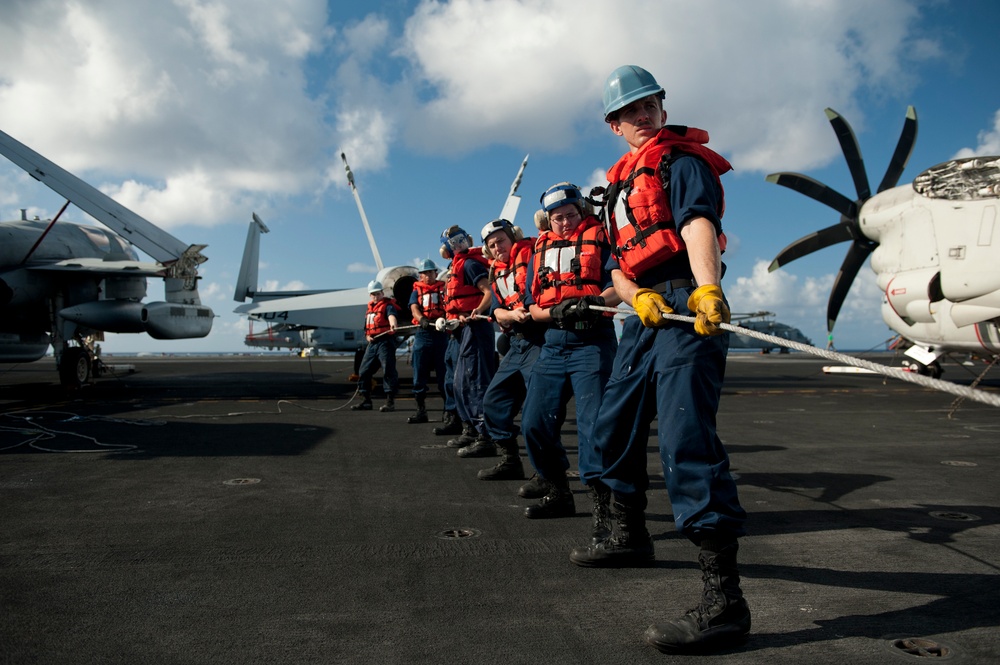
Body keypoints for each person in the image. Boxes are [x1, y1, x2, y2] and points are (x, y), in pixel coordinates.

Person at [567, 65, 750, 655]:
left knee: (684, 438)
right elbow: (615, 265)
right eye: (631, 111)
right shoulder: (617, 189)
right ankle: (627, 534)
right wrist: (633, 296)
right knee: (610, 425)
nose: (643, 116)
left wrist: (707, 288)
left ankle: (725, 602)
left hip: (687, 305)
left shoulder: (679, 163)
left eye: (650, 105)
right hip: (646, 313)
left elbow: (696, 223)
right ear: (614, 125)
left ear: (662, 110)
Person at [518, 183, 619, 519]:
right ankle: (558, 490)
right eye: (558, 218)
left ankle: (602, 507)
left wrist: (594, 301)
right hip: (554, 342)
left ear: (581, 212)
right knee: (534, 422)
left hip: (593, 341)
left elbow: (619, 287)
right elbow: (533, 309)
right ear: (548, 220)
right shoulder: (539, 249)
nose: (565, 223)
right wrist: (557, 311)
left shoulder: (602, 238)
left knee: (594, 426)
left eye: (571, 215)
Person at [465, 219, 545, 479]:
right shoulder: (497, 273)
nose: (497, 247)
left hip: (540, 339)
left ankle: (546, 475)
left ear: (513, 237)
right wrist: (509, 315)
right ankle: (510, 461)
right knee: (493, 401)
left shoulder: (534, 257)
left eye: (501, 240)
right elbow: (497, 310)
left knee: (537, 412)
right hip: (517, 343)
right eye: (492, 245)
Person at [438, 225, 496, 448]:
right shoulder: (456, 267)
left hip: (475, 329)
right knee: (460, 382)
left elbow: (489, 291)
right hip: (461, 331)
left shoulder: (470, 265)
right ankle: (470, 428)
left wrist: (476, 311)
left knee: (476, 381)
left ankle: (485, 435)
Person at [407, 259, 448, 424]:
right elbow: (414, 308)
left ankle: (448, 412)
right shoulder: (416, 291)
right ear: (420, 276)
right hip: (423, 333)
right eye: (425, 273)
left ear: (436, 273)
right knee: (419, 373)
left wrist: (444, 320)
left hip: (441, 334)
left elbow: (450, 305)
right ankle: (421, 411)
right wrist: (422, 319)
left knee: (444, 374)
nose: (428, 275)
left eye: (430, 272)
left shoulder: (444, 289)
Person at [351, 280, 400, 412]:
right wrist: (368, 337)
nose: (376, 296)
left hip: (385, 342)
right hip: (373, 343)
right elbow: (366, 328)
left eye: (378, 294)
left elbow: (391, 316)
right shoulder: (369, 309)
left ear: (382, 293)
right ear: (370, 295)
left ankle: (390, 402)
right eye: (373, 294)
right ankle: (366, 400)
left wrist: (393, 324)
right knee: (363, 371)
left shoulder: (388, 306)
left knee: (388, 370)